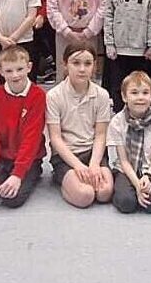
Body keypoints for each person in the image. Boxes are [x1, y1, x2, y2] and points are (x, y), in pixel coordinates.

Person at [0, 45, 46, 208]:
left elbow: (31, 139)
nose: (15, 75)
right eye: (9, 71)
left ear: (29, 67)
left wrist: (17, 175)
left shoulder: (38, 96)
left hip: (28, 159)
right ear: (1, 71)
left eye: (20, 69)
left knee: (12, 199)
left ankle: (31, 173)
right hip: (2, 157)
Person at [46, 40, 115, 209]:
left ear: (94, 66)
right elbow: (55, 138)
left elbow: (100, 134)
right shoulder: (54, 95)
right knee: (85, 196)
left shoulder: (102, 95)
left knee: (105, 193)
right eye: (76, 63)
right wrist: (78, 166)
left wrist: (93, 164)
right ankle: (61, 178)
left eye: (87, 63)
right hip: (65, 155)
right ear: (65, 65)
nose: (82, 69)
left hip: (92, 152)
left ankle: (83, 178)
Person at [101, 0, 151, 113]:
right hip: (119, 49)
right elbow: (108, 17)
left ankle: (139, 115)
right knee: (119, 86)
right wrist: (109, 44)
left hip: (140, 49)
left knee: (139, 85)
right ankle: (120, 118)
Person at [107, 71, 151, 214]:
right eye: (134, 93)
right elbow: (123, 161)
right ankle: (128, 189)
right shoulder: (116, 122)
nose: (140, 98)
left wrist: (148, 176)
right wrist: (137, 185)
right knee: (126, 203)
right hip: (126, 169)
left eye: (145, 93)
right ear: (124, 97)